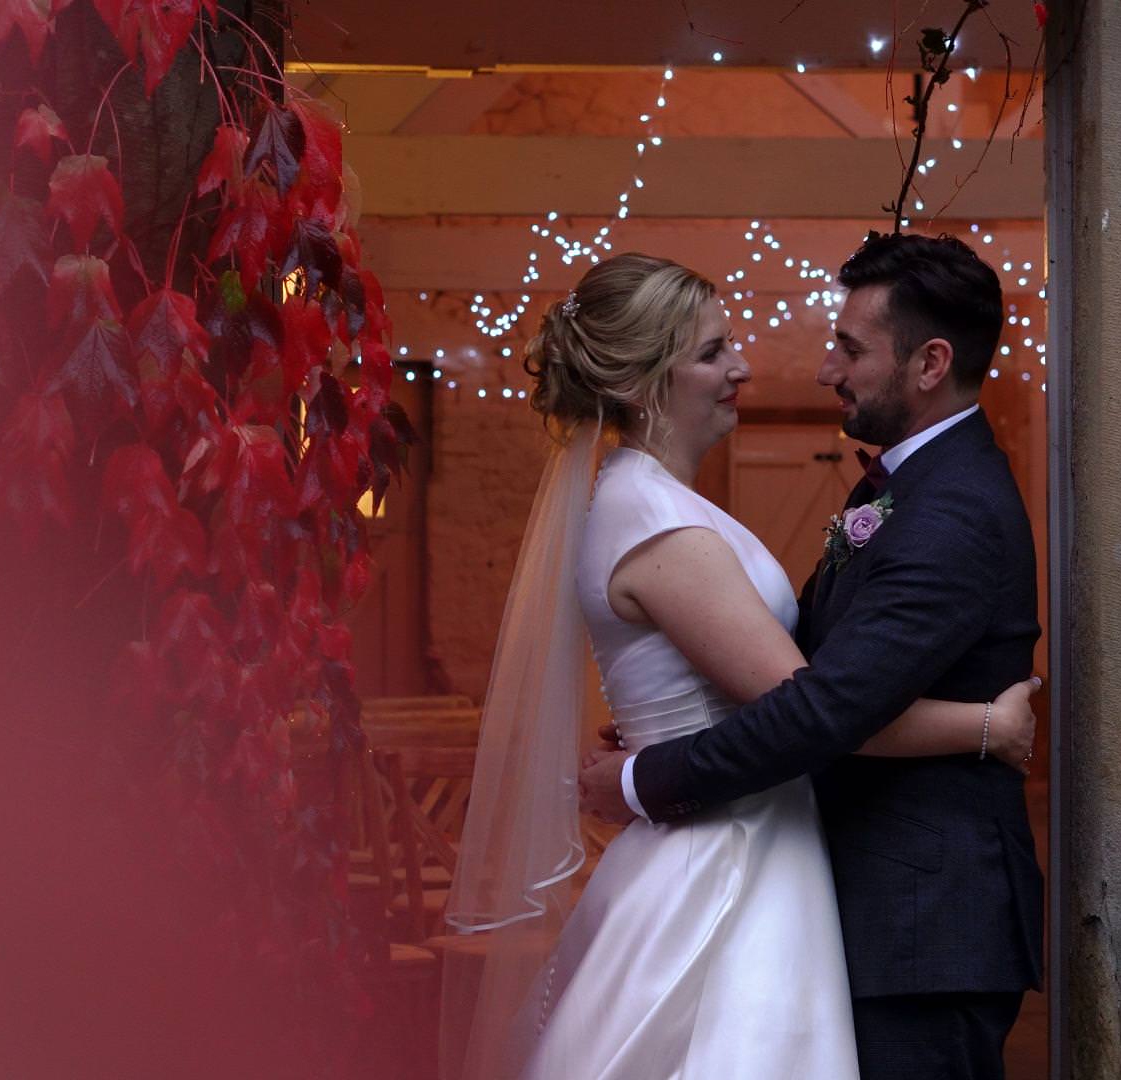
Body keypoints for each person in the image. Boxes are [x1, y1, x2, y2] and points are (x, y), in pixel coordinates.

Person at [442, 250, 1038, 1080]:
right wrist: (983, 725)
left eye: (849, 348)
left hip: (884, 897)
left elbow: (814, 701)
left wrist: (653, 762)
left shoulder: (942, 503)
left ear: (930, 362)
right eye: (715, 351)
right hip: (735, 854)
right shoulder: (656, 517)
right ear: (649, 379)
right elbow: (813, 700)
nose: (750, 366)